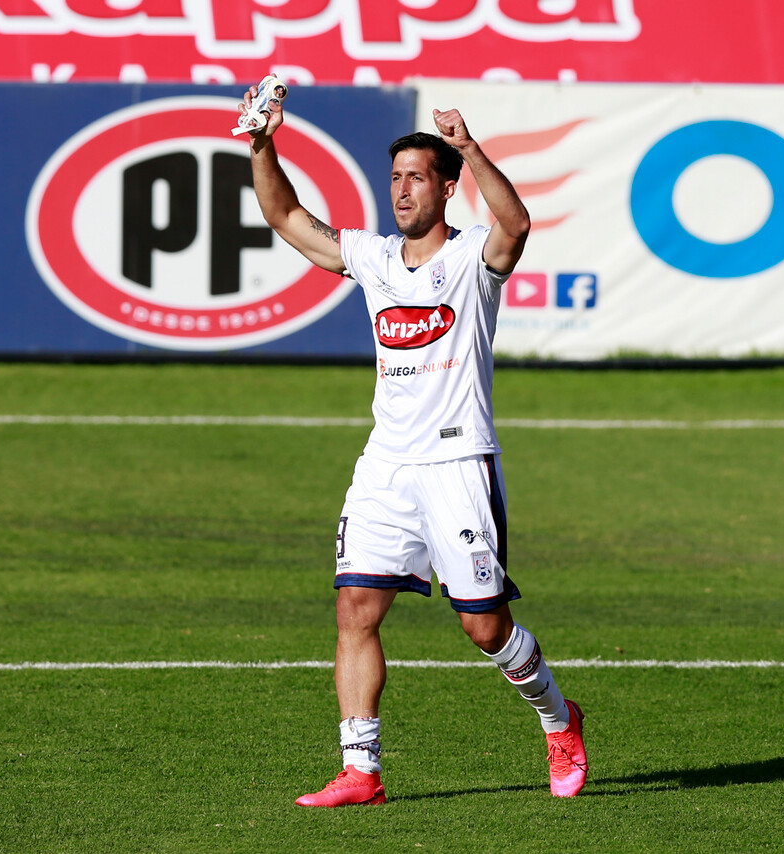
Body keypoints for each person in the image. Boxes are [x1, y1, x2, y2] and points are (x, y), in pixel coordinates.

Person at [239, 83, 588, 806]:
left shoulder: (470, 263)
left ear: (448, 189)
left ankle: (559, 720)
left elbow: (516, 223)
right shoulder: (372, 258)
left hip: (457, 463)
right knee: (355, 612)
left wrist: (467, 145)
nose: (401, 191)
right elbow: (285, 217)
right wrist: (261, 144)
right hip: (386, 467)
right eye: (395, 178)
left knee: (484, 626)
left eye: (417, 178)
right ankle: (361, 769)